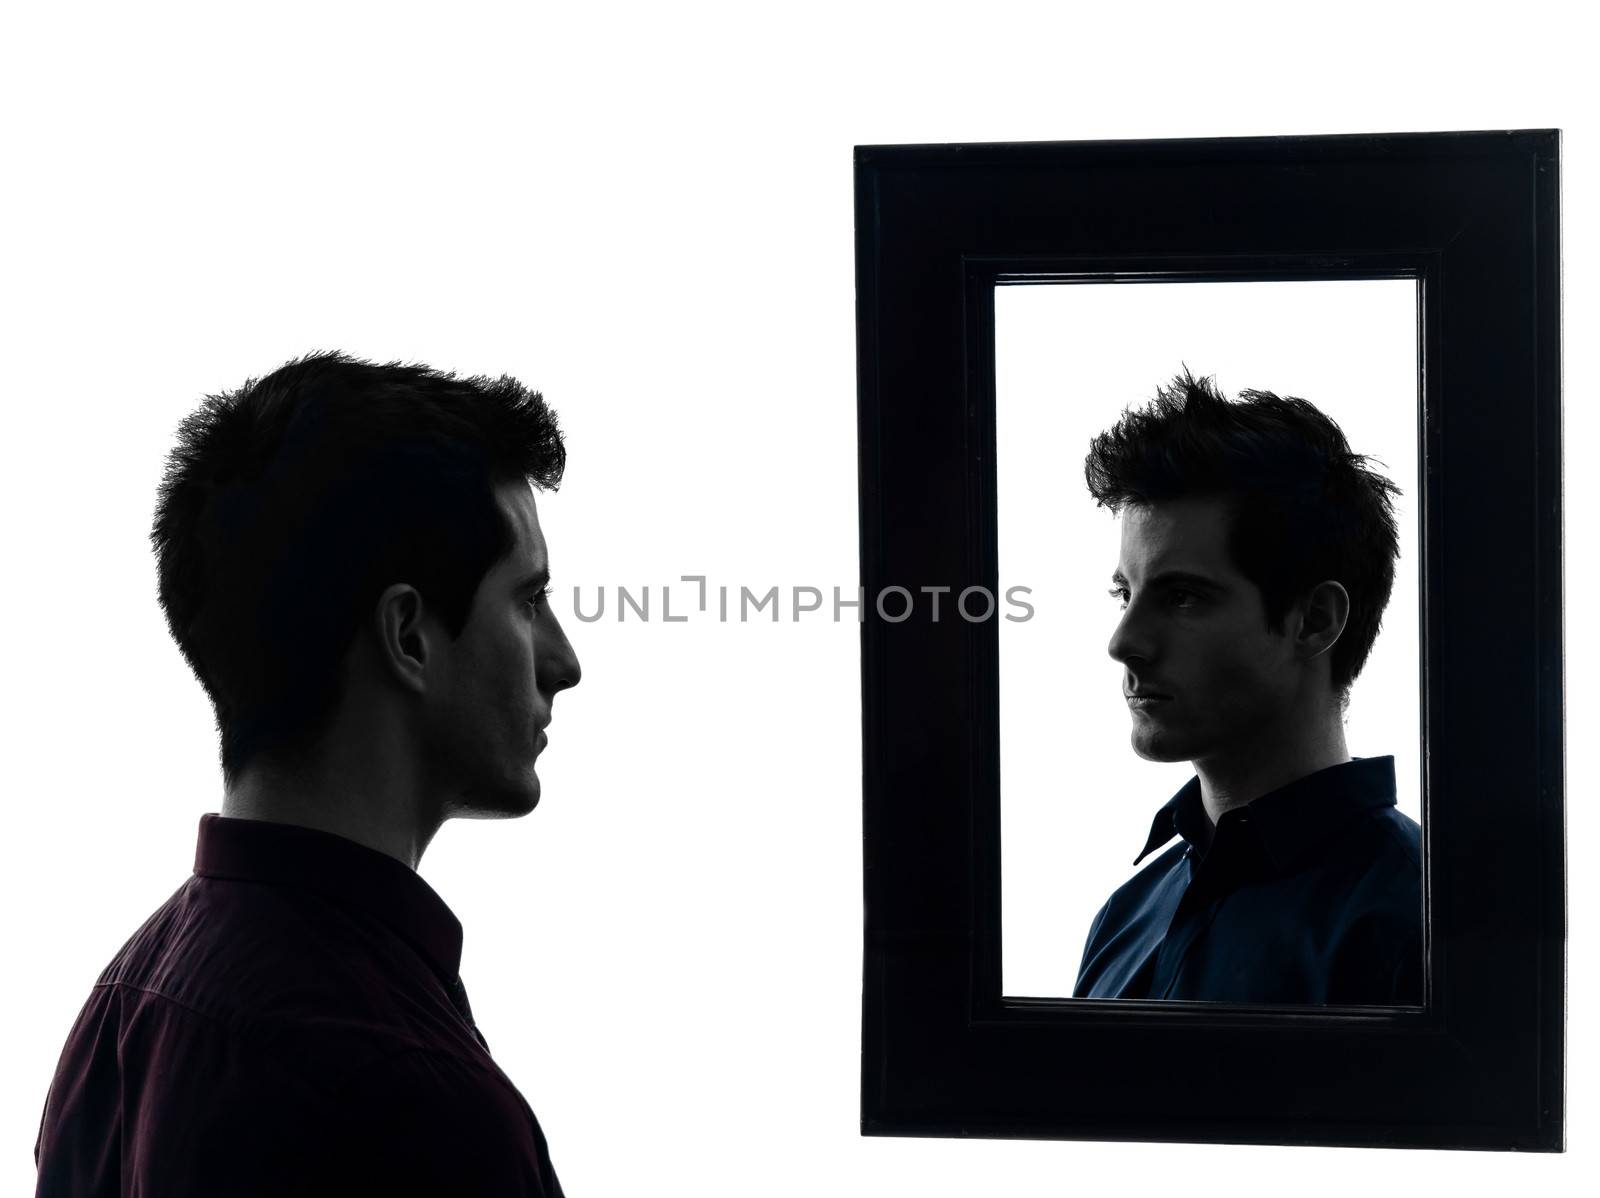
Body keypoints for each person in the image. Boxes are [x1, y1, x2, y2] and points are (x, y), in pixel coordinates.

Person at [34, 353, 582, 1195]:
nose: (564, 662)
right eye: (529, 598)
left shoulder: (122, 1008)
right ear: (408, 636)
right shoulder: (414, 1101)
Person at [1072, 370, 1421, 1006]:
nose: (1124, 642)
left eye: (1181, 597)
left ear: (1313, 620)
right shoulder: (1125, 915)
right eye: (1125, 593)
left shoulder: (1413, 918)